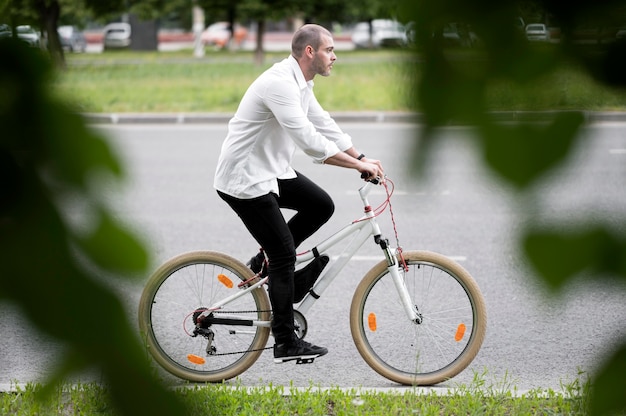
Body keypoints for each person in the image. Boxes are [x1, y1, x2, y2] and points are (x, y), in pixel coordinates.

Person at [214, 24, 384, 364]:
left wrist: (362, 156)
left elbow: (323, 122)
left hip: (271, 172)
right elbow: (309, 141)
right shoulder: (279, 84)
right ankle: (284, 342)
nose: (334, 57)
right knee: (284, 255)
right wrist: (355, 166)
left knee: (321, 205)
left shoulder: (301, 82)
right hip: (244, 180)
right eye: (329, 50)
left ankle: (262, 263)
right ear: (310, 52)